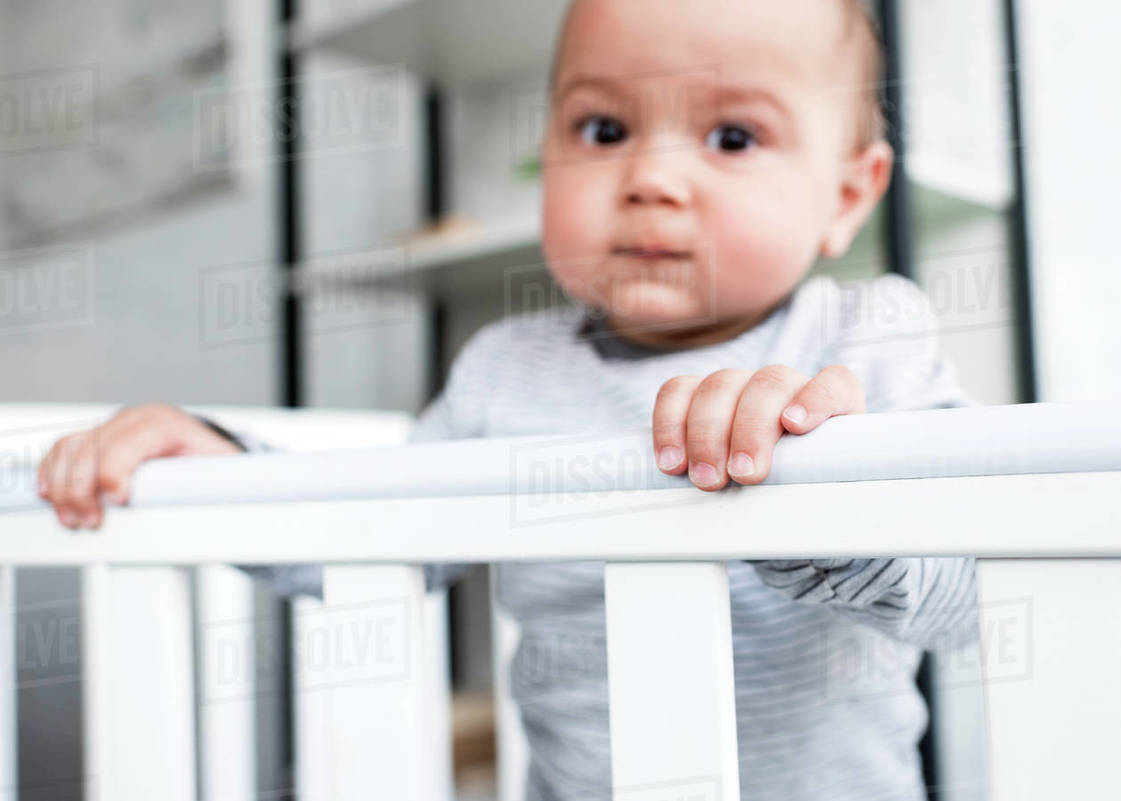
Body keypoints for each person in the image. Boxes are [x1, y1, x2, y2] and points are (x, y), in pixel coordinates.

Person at [39, 1, 977, 798]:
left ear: (849, 196)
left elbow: (967, 590)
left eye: (734, 137)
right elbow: (367, 543)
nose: (650, 180)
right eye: (602, 131)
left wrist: (836, 509)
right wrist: (222, 465)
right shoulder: (501, 369)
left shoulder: (863, 342)